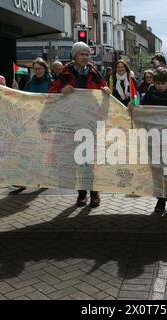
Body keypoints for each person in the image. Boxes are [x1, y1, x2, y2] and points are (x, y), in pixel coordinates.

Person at [50, 41, 111, 208]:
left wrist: (105, 88)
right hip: (72, 121)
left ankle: (94, 193)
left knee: (90, 159)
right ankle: (82, 194)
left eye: (87, 54)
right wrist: (61, 92)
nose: (85, 57)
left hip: (90, 121)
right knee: (78, 159)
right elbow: (53, 93)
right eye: (82, 54)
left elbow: (102, 84)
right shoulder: (65, 72)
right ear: (74, 55)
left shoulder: (93, 70)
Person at [128, 67, 167, 218]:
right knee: (156, 170)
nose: (160, 86)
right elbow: (139, 109)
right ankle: (160, 200)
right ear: (153, 82)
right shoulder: (148, 94)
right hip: (152, 138)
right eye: (157, 83)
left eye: (163, 83)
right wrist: (133, 107)